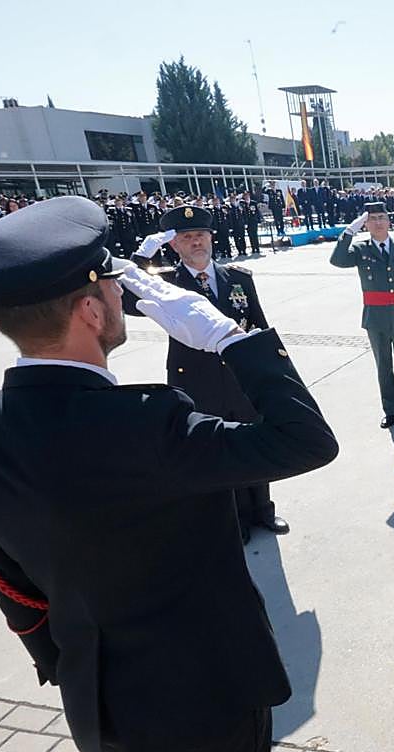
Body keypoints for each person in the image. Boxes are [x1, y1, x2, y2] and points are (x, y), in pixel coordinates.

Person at [0, 195, 339, 752]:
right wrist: (230, 337)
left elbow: (11, 587)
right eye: (114, 287)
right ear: (91, 310)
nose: (127, 298)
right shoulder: (152, 425)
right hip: (205, 701)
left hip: (98, 706)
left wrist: (67, 661)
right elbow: (308, 441)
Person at [129, 206, 290, 543]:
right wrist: (142, 255)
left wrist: (273, 370)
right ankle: (235, 519)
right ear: (174, 246)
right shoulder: (167, 283)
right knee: (216, 449)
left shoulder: (239, 278)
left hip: (240, 378)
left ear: (211, 237)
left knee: (252, 442)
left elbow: (258, 323)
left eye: (200, 235)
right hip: (197, 379)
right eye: (186, 238)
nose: (195, 242)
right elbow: (128, 295)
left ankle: (263, 511)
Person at [330, 202, 394, 428]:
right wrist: (348, 232)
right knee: (383, 365)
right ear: (366, 224)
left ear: (389, 221)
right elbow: (336, 260)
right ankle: (390, 409)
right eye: (372, 219)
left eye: (382, 217)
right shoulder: (361, 250)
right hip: (376, 319)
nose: (378, 222)